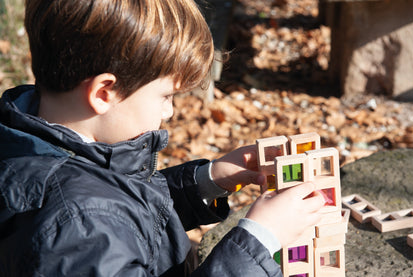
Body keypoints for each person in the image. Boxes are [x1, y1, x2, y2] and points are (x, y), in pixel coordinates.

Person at [0, 0, 325, 276]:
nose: (169, 112)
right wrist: (257, 242)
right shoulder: (78, 227)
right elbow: (103, 215)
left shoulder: (37, 140)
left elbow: (123, 210)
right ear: (104, 92)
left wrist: (206, 181)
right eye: (166, 96)